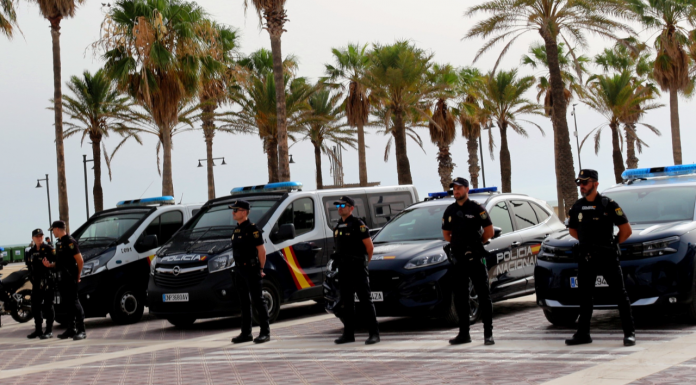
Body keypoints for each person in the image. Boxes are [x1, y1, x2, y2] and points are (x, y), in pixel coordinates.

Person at [566, 169, 635, 346]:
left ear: (595, 183)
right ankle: (583, 334)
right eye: (579, 183)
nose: (581, 186)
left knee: (620, 295)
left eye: (585, 182)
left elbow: (626, 231)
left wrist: (611, 245)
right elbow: (573, 230)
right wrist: (588, 242)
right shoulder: (577, 206)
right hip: (586, 257)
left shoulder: (608, 204)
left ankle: (629, 333)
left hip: (607, 257)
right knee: (585, 297)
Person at [442, 177, 495, 345]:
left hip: (476, 258)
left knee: (484, 296)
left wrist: (477, 244)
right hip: (459, 260)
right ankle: (464, 334)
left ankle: (488, 334)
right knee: (460, 297)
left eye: (459, 188)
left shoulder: (477, 209)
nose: (456, 191)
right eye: (454, 189)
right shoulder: (449, 211)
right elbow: (446, 234)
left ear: (467, 189)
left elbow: (489, 232)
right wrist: (459, 246)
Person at [332, 196, 380, 345]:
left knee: (365, 301)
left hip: (357, 268)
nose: (340, 207)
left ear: (351, 208)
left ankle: (374, 334)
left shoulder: (358, 224)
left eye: (343, 205)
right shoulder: (338, 226)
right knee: (347, 302)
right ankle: (348, 334)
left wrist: (364, 263)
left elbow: (369, 248)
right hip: (344, 269)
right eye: (338, 205)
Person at [229, 200, 271, 344]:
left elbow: (262, 251)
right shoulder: (236, 230)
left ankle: (265, 332)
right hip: (239, 269)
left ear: (244, 212)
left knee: (258, 300)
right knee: (243, 303)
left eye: (236, 210)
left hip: (251, 269)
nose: (233, 212)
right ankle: (246, 333)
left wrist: (260, 269)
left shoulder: (253, 229)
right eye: (233, 210)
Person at [44, 220, 86, 340]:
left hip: (70, 278)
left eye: (53, 230)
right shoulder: (59, 243)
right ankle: (71, 329)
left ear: (57, 229)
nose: (53, 233)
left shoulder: (70, 242)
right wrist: (50, 265)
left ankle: (81, 330)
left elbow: (80, 260)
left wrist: (77, 275)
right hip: (61, 279)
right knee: (68, 304)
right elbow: (59, 262)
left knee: (75, 303)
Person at [25, 229, 56, 339]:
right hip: (37, 282)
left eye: (41, 236)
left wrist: (50, 265)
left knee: (48, 306)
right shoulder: (31, 251)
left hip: (47, 281)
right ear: (33, 238)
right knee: (35, 306)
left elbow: (58, 262)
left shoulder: (49, 249)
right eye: (37, 236)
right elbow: (29, 265)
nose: (39, 238)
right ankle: (38, 330)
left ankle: (49, 331)